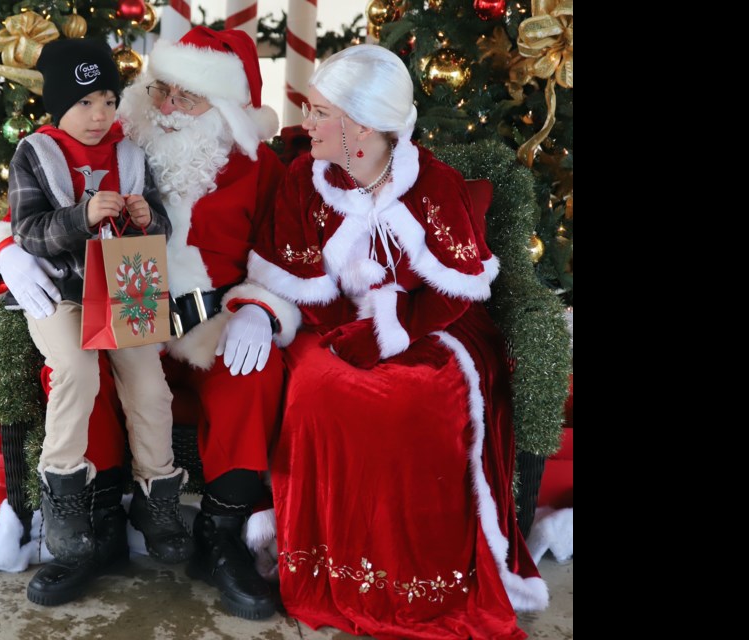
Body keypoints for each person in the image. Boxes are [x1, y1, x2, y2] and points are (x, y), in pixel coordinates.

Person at [231, 44, 549, 638]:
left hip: (435, 325)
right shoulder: (305, 179)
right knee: (319, 390)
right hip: (329, 325)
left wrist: (390, 333)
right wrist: (271, 314)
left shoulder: (436, 185)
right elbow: (288, 275)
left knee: (419, 397)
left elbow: (459, 288)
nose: (306, 123)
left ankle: (417, 578)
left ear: (362, 125)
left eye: (321, 112)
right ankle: (330, 568)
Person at [0, 27, 287, 619]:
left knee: (253, 378)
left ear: (224, 107)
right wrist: (2, 250)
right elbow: (25, 203)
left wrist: (262, 307)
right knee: (81, 373)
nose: (167, 108)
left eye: (187, 97)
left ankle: (222, 537)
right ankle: (98, 524)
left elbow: (284, 254)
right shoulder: (112, 135)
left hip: (208, 321)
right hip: (117, 301)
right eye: (160, 89)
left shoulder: (259, 167)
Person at [0, 38, 195, 607]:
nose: (100, 114)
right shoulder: (35, 153)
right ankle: (62, 495)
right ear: (61, 103)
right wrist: (81, 216)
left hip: (125, 287)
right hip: (61, 293)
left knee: (149, 384)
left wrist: (145, 216)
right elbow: (28, 231)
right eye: (85, 102)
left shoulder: (130, 153)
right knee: (78, 372)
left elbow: (160, 223)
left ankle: (157, 495)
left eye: (109, 100)